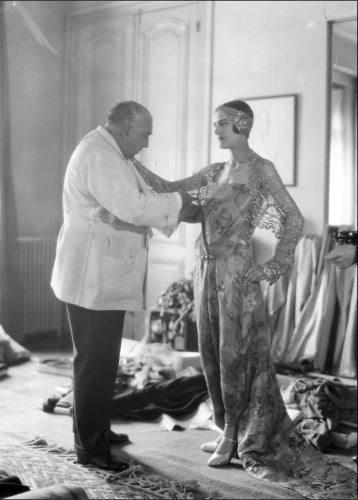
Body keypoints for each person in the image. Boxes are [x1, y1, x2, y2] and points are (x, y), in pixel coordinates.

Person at [131, 100, 315, 482]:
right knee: (210, 348)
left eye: (222, 125)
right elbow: (168, 188)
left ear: (242, 125)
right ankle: (223, 424)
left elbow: (292, 217)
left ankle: (237, 434)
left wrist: (272, 266)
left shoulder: (263, 170)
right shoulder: (214, 171)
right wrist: (130, 162)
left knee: (236, 354)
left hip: (238, 274)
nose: (216, 131)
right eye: (215, 124)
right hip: (205, 270)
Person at [50, 101, 200, 471]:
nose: (146, 142)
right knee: (94, 364)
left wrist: (175, 204)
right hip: (92, 277)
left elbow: (140, 200)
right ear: (124, 128)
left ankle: (97, 429)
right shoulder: (99, 155)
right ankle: (91, 448)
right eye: (144, 133)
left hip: (100, 275)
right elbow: (132, 206)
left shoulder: (112, 153)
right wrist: (181, 204)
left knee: (102, 362)